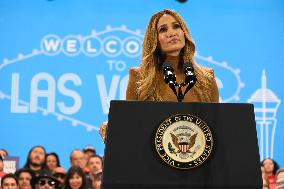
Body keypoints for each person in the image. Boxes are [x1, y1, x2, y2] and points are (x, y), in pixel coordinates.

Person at [99, 9, 219, 141]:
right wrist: (113, 125)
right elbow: (130, 122)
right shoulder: (139, 77)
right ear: (154, 40)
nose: (172, 33)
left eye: (176, 26)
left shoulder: (207, 77)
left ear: (184, 33)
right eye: (163, 29)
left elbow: (216, 125)